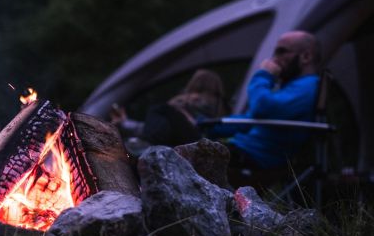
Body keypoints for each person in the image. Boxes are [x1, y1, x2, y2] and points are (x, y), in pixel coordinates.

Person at [210, 30, 321, 170]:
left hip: (252, 159)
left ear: (306, 56)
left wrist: (264, 75)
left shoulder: (309, 86)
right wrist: (205, 125)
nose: (274, 59)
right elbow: (250, 119)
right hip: (241, 152)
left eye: (281, 51)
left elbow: (262, 107)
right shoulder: (291, 88)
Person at [110, 68, 228, 147]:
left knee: (160, 110)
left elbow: (195, 124)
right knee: (160, 116)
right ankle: (142, 138)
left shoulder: (190, 102)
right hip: (190, 140)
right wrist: (125, 122)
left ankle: (145, 143)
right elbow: (158, 127)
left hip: (193, 140)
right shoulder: (219, 107)